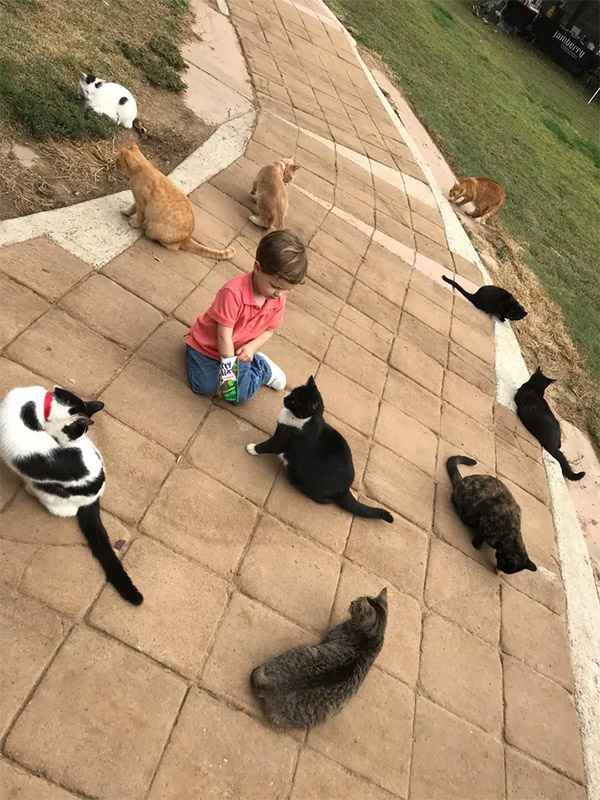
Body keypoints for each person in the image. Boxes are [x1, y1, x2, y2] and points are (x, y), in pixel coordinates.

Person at [185, 229, 307, 404]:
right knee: (203, 387)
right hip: (206, 348)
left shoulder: (277, 298)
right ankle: (249, 370)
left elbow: (269, 330)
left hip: (239, 353)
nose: (278, 294)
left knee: (237, 397)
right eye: (274, 286)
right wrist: (228, 372)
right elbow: (223, 336)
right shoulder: (233, 293)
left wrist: (251, 348)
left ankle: (261, 368)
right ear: (257, 268)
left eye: (285, 290)